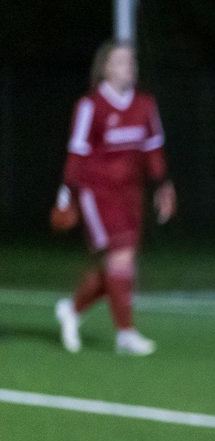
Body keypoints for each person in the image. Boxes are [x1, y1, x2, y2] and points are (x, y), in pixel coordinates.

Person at [54, 39, 176, 356]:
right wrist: (66, 193)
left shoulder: (146, 105)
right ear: (106, 67)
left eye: (132, 61)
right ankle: (125, 334)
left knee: (119, 265)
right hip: (97, 191)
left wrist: (163, 185)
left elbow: (153, 149)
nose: (129, 67)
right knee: (120, 258)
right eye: (121, 61)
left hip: (131, 194)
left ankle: (72, 309)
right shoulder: (90, 106)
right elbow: (77, 152)